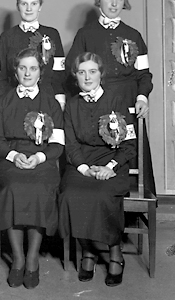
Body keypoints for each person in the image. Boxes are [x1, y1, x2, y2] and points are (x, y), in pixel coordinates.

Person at [65, 0, 154, 191]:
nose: (114, 4)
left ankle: (131, 201)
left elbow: (144, 74)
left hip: (128, 103)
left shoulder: (134, 36)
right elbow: (72, 71)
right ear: (99, 0)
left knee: (130, 149)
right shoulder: (85, 34)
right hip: (96, 104)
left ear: (124, 2)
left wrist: (142, 97)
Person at [0, 48, 64, 289]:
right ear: (15, 71)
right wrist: (14, 156)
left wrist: (39, 158)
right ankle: (18, 258)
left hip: (42, 160)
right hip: (10, 160)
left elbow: (58, 144)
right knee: (14, 187)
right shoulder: (3, 101)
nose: (27, 73)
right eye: (23, 68)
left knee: (39, 188)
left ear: (40, 72)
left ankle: (32, 258)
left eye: (33, 68)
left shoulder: (51, 102)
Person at [59, 52, 136, 287]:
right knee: (71, 194)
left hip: (113, 163)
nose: (87, 77)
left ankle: (115, 251)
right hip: (81, 164)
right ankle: (88, 250)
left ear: (101, 74)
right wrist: (84, 169)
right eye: (82, 72)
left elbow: (129, 144)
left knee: (103, 194)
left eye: (92, 72)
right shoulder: (72, 105)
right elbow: (71, 144)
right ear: (75, 76)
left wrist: (110, 167)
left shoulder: (116, 100)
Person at [0, 0, 65, 109]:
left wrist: (60, 101)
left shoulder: (52, 34)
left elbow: (59, 73)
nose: (29, 9)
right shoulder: (7, 37)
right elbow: (1, 76)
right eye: (24, 4)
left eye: (34, 4)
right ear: (18, 6)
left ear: (40, 6)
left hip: (46, 100)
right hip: (14, 101)